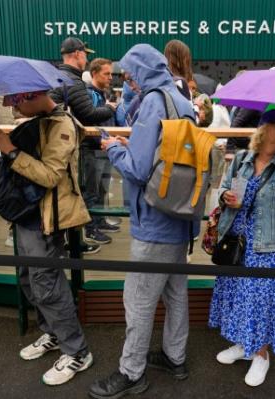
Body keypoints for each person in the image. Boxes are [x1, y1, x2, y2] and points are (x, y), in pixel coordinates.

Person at [88, 44, 196, 399]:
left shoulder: (152, 102)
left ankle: (130, 373)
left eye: (131, 74)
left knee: (137, 299)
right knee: (175, 293)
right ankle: (174, 357)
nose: (128, 81)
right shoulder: (181, 99)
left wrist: (113, 147)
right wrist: (128, 146)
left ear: (141, 71)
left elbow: (136, 168)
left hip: (155, 220)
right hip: (181, 215)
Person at [0, 90, 93, 386]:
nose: (14, 109)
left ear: (33, 96)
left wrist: (10, 150)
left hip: (45, 219)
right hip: (28, 216)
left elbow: (49, 176)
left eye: (17, 102)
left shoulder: (61, 124)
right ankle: (55, 334)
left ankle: (77, 351)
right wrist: (5, 145)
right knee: (28, 279)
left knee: (47, 286)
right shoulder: (42, 121)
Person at [209, 110, 275, 386]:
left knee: (260, 302)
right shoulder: (241, 159)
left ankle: (261, 355)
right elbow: (223, 190)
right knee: (236, 295)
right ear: (264, 128)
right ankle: (244, 344)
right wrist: (226, 196)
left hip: (267, 246)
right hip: (236, 240)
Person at [50, 37, 117, 255]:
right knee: (76, 193)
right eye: (85, 54)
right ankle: (72, 243)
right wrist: (110, 108)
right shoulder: (72, 80)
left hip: (57, 148)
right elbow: (88, 114)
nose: (86, 58)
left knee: (70, 194)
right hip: (66, 149)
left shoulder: (59, 77)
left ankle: (67, 243)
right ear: (78, 54)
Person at [83, 57, 120, 245]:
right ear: (94, 73)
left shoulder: (103, 93)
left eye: (111, 73)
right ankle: (90, 229)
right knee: (92, 191)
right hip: (93, 149)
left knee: (102, 189)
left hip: (104, 148)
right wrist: (109, 109)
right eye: (107, 73)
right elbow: (90, 118)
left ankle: (100, 221)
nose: (111, 77)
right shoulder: (90, 94)